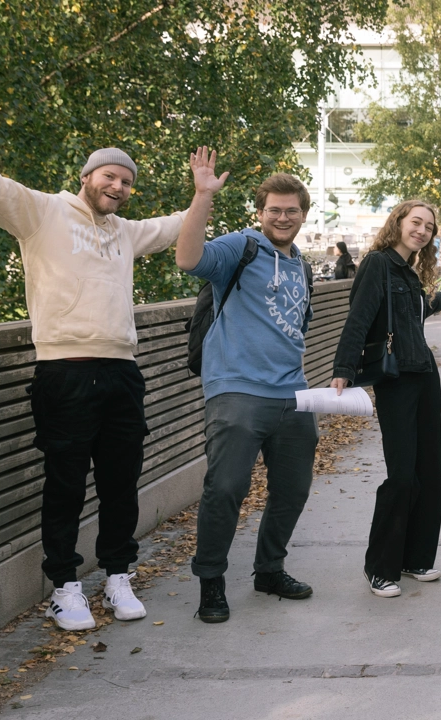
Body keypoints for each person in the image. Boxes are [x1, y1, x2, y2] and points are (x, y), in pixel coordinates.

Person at [0, 82, 213, 631]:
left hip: (121, 372)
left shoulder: (125, 234)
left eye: (127, 181)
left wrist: (202, 193)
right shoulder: (41, 214)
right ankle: (64, 585)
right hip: (63, 372)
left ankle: (116, 575)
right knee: (65, 481)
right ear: (86, 177)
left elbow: (179, 227)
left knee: (120, 480)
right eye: (109, 175)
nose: (118, 185)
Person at [176, 158, 320, 623]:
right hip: (237, 389)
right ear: (260, 212)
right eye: (274, 210)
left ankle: (269, 569)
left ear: (303, 214)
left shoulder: (301, 265)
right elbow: (187, 258)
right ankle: (211, 582)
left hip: (292, 395)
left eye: (292, 211)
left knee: (293, 490)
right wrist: (202, 196)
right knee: (227, 488)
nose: (283, 217)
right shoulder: (242, 248)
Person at [330, 200, 441, 598]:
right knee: (400, 473)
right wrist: (344, 369)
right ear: (398, 222)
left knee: (428, 471)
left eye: (429, 227)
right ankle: (379, 566)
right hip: (396, 380)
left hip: (425, 375)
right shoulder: (378, 263)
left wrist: (432, 304)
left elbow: (404, 323)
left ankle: (414, 558)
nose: (422, 231)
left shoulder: (410, 272)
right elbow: (360, 318)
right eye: (416, 222)